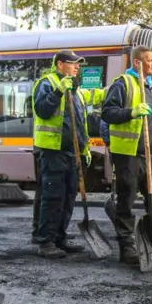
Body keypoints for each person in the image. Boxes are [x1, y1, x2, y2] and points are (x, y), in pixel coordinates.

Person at [32, 51, 104, 258]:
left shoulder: (75, 89)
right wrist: (57, 92)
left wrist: (84, 149)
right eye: (73, 64)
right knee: (53, 197)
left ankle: (59, 238)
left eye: (78, 65)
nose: (77, 67)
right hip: (53, 150)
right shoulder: (47, 83)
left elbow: (79, 124)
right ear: (60, 64)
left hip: (72, 152)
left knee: (68, 197)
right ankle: (45, 241)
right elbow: (42, 110)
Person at [100, 45, 152, 266]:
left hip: (151, 152)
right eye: (150, 60)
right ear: (137, 63)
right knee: (126, 199)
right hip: (127, 154)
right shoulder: (123, 83)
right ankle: (126, 245)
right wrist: (131, 112)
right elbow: (108, 113)